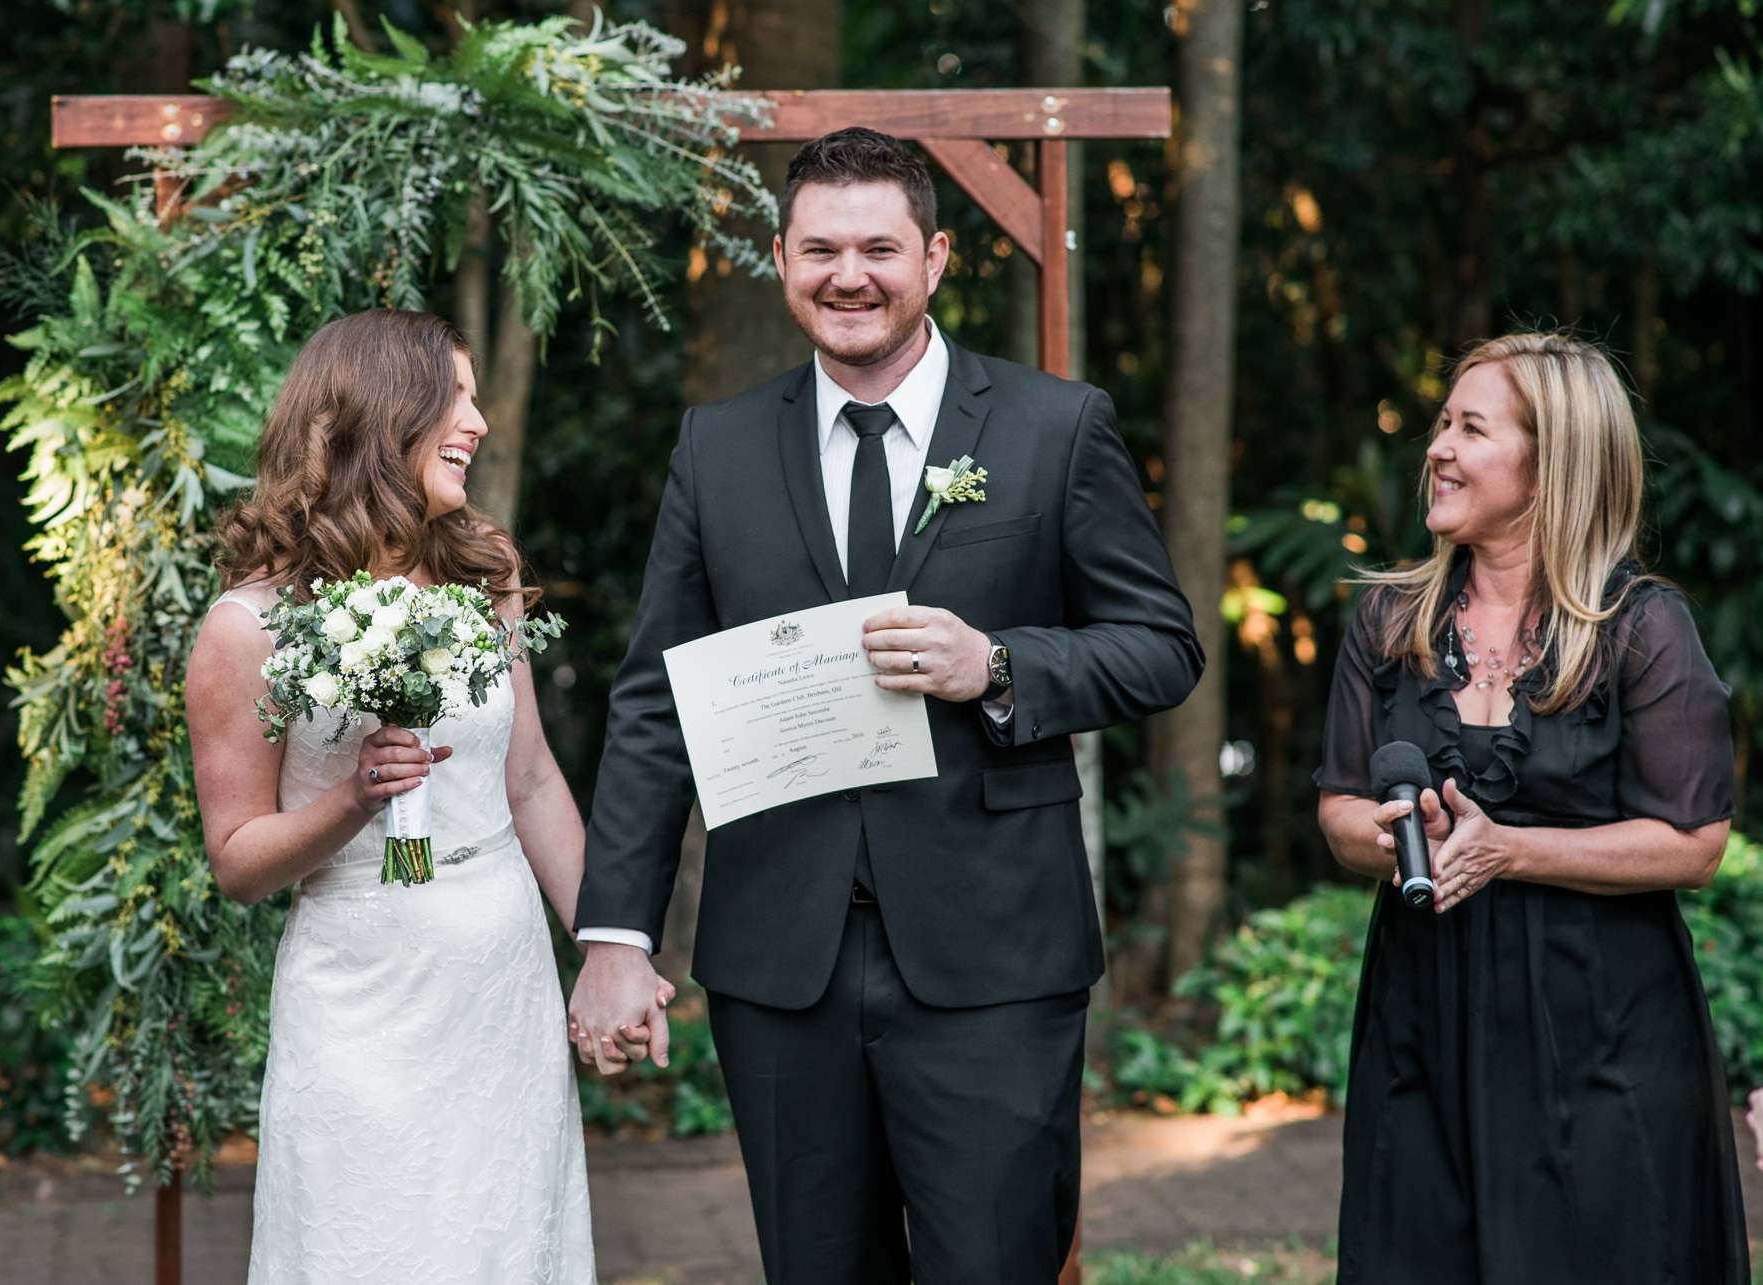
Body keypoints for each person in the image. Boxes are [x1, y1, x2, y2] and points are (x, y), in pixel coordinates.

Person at [566, 127, 1203, 1285]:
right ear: (779, 259)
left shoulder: (1054, 427)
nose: (847, 276)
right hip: (780, 963)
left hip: (993, 958)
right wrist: (616, 934)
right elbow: (658, 701)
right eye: (819, 250)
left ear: (935, 258)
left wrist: (995, 661)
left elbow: (1162, 647)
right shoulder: (716, 446)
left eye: (877, 249)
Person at [184, 308, 671, 1284]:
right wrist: (353, 799)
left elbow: (530, 780)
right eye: (454, 398)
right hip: (360, 997)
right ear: (377, 413)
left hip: (500, 983)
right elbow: (236, 861)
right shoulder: (246, 627)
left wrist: (610, 948)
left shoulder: (483, 572)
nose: (477, 423)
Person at [1316, 332, 1748, 1283]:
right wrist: (1397, 840)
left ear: (1552, 465)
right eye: (1442, 423)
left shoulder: (1641, 628)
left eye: (1470, 429)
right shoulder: (1388, 622)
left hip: (1600, 1036)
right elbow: (1341, 805)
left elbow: (1693, 842)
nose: (1437, 448)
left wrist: (1509, 849)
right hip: (1420, 1027)